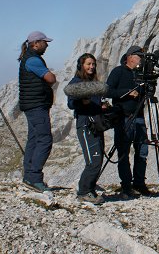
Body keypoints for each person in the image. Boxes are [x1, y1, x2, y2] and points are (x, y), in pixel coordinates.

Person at [106, 45, 151, 199]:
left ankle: (139, 183)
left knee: (142, 151)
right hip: (123, 117)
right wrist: (126, 93)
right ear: (130, 56)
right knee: (124, 152)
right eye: (139, 56)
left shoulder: (141, 74)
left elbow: (147, 93)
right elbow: (108, 90)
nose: (142, 59)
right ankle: (126, 186)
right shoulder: (118, 72)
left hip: (139, 116)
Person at [66, 53, 108, 205]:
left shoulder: (94, 82)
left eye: (93, 64)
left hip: (96, 124)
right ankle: (83, 192)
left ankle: (89, 190)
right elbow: (70, 104)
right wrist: (81, 102)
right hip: (85, 124)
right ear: (81, 65)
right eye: (88, 64)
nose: (91, 67)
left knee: (98, 159)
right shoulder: (76, 82)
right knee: (93, 160)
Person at [18, 31, 56, 192]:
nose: (46, 45)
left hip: (32, 105)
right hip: (37, 106)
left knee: (33, 139)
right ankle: (34, 177)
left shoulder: (29, 58)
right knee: (45, 140)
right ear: (35, 43)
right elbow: (51, 78)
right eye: (44, 42)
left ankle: (28, 176)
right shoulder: (33, 60)